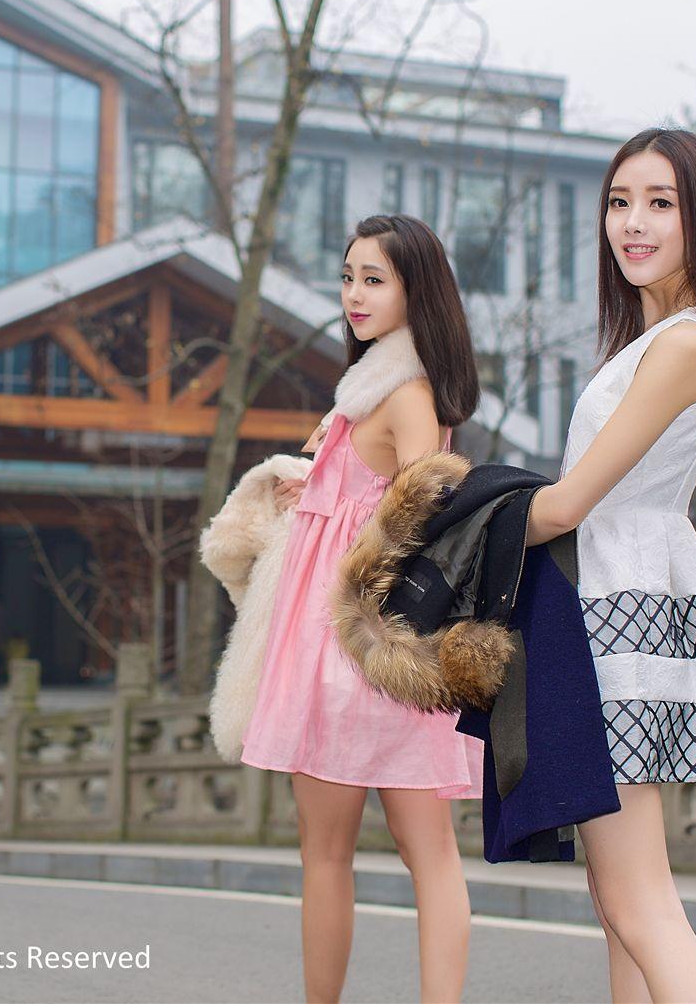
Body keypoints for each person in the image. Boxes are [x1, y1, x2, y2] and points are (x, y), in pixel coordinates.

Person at [523, 127, 696, 1003]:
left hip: (616, 612)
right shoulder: (664, 337)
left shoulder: (687, 345)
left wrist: (438, 520)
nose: (633, 223)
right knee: (619, 898)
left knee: (637, 898)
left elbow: (563, 505)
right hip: (617, 603)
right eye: (620, 203)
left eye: (659, 203)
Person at [241, 213, 484, 1004]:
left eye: (373, 279)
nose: (353, 293)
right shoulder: (373, 389)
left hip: (356, 647)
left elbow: (427, 510)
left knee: (336, 855)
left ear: (417, 291)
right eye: (348, 276)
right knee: (421, 853)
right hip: (373, 648)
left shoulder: (402, 390)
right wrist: (313, 488)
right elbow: (380, 499)